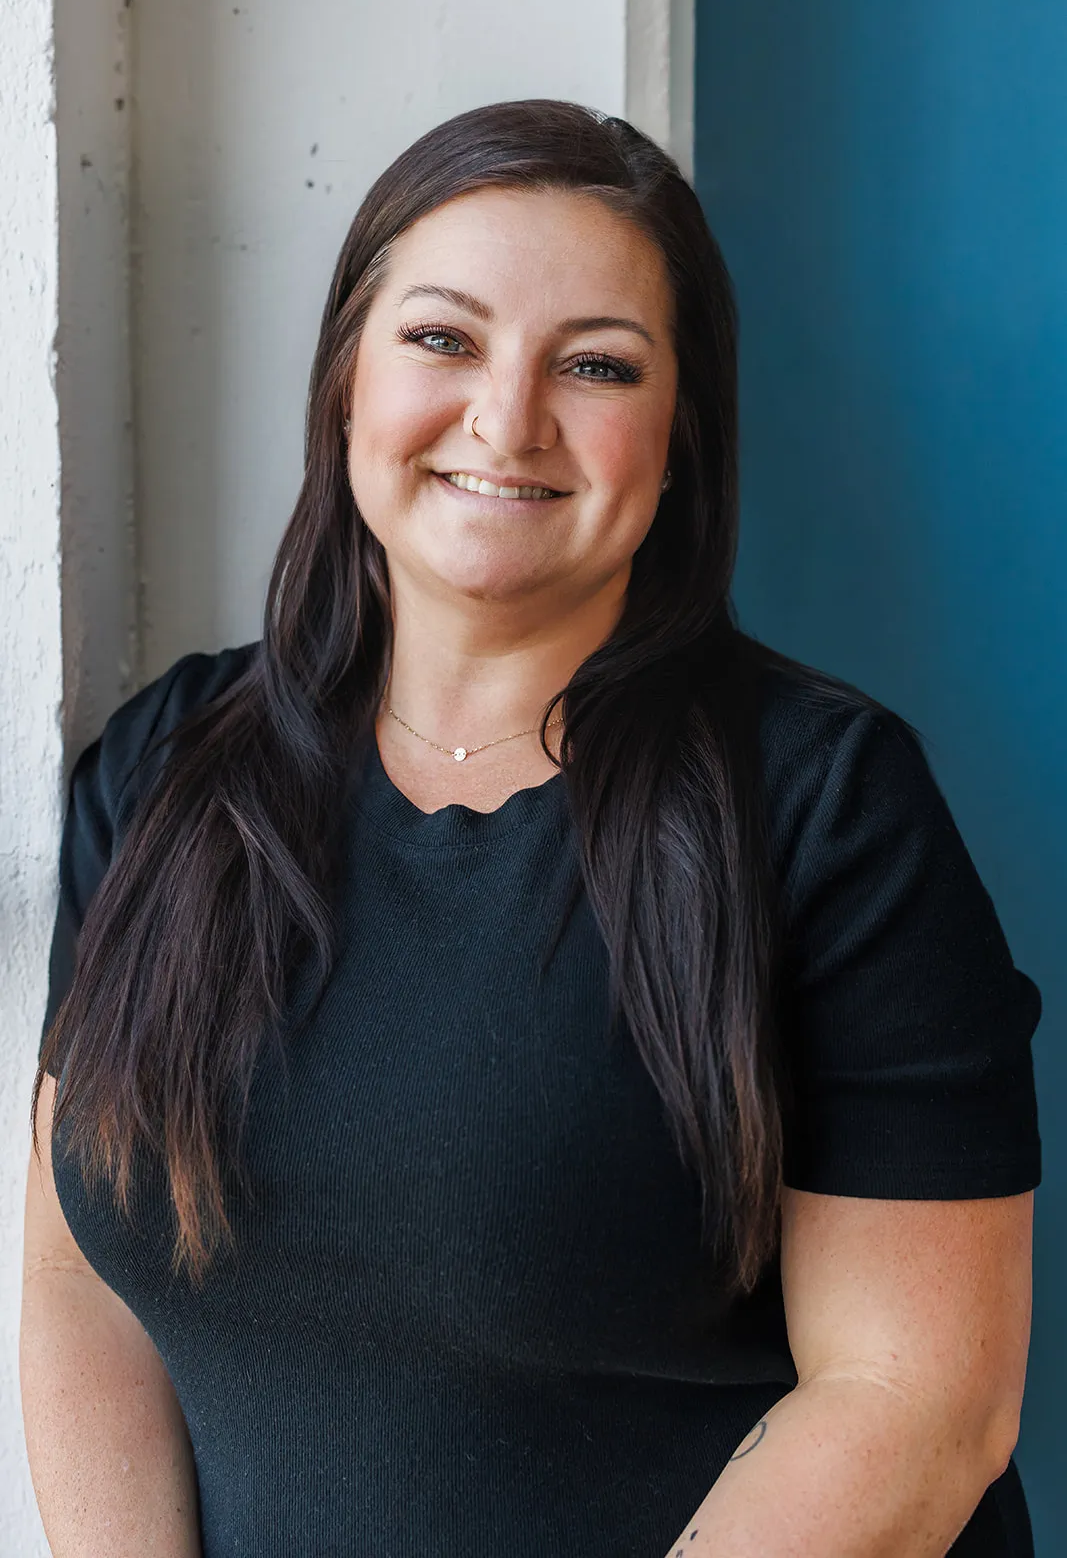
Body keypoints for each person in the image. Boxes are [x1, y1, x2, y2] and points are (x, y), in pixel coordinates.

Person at [21, 99, 1040, 1558]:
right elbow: (78, 1280)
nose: (506, 419)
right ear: (347, 384)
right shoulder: (168, 772)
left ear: (677, 437)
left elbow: (914, 1405)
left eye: (596, 365)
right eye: (443, 339)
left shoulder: (824, 808)